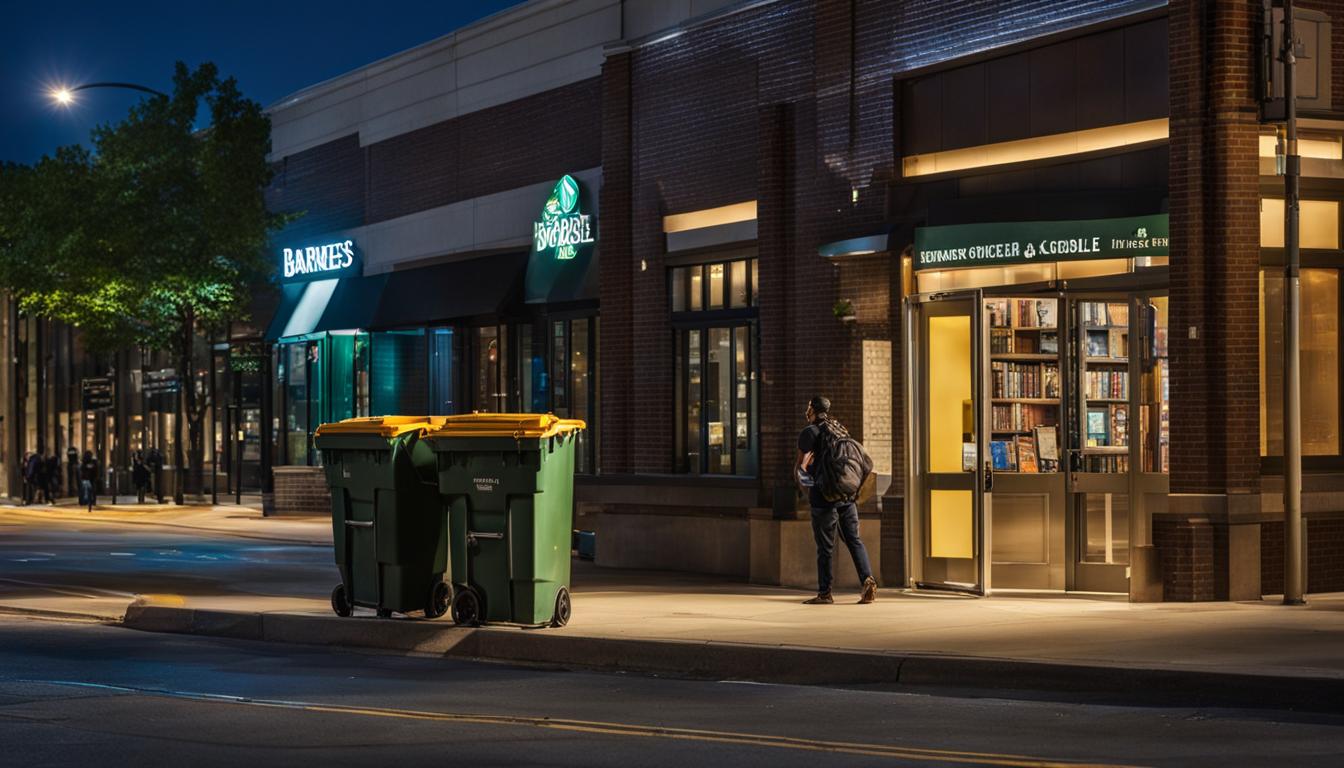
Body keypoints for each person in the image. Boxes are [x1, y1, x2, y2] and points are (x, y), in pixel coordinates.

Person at [795, 395, 877, 605]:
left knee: (825, 547)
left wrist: (805, 490)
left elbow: (799, 467)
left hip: (823, 497)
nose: (807, 411)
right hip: (846, 497)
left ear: (813, 410)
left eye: (808, 407)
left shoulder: (809, 432)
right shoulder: (839, 429)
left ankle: (825, 593)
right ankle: (867, 579)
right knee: (853, 539)